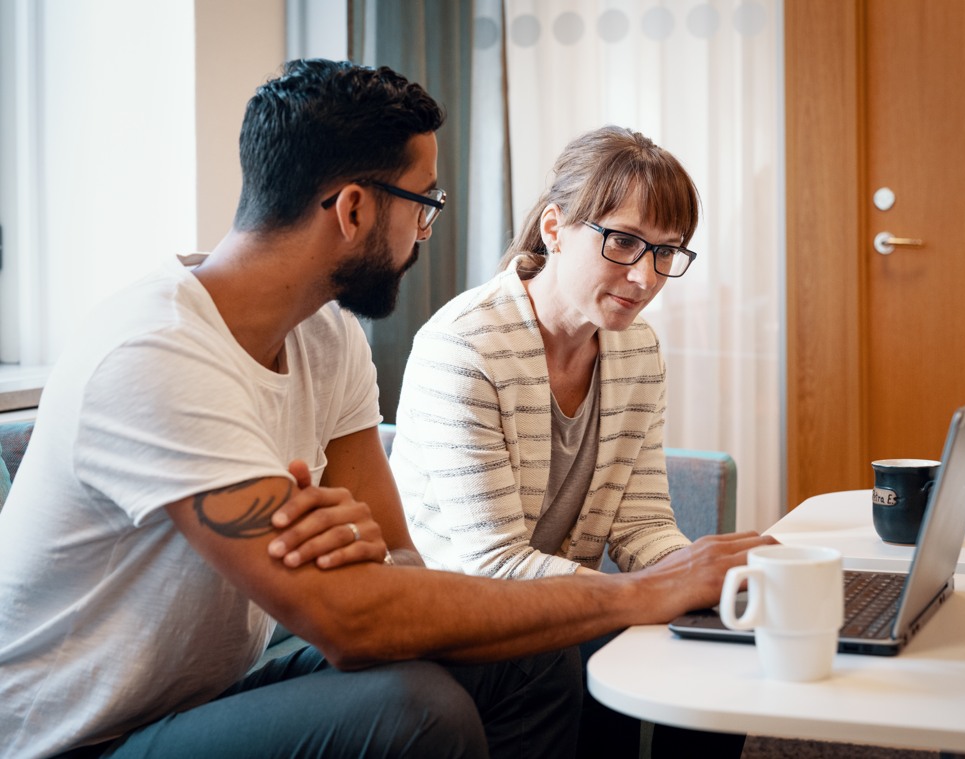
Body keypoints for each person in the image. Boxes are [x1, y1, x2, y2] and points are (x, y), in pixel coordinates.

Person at [0, 60, 773, 759]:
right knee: (416, 710)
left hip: (207, 691)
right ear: (355, 209)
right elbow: (351, 619)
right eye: (424, 203)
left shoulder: (328, 336)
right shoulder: (155, 353)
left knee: (527, 658)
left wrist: (362, 555)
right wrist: (639, 592)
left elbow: (395, 561)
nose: (425, 231)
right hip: (79, 735)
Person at [390, 125, 745, 755]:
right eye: (624, 242)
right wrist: (650, 592)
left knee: (713, 649)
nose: (645, 278)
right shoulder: (464, 348)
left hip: (558, 604)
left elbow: (640, 526)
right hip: (458, 618)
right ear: (554, 229)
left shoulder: (637, 348)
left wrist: (707, 586)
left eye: (667, 252)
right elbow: (490, 566)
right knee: (604, 648)